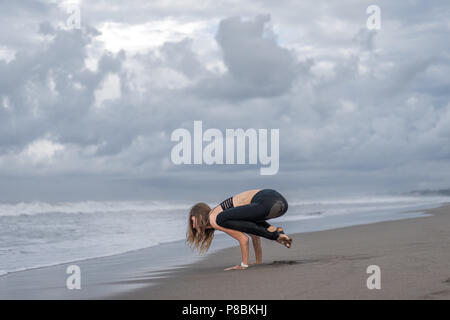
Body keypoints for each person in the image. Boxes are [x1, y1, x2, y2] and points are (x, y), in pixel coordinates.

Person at [186, 189, 292, 270]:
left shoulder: (214, 218)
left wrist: (244, 265)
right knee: (250, 226)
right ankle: (277, 232)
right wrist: (258, 262)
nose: (193, 226)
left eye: (192, 220)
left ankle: (275, 234)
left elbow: (243, 239)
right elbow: (254, 234)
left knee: (221, 219)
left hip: (266, 201)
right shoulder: (223, 214)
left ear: (199, 216)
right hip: (280, 203)